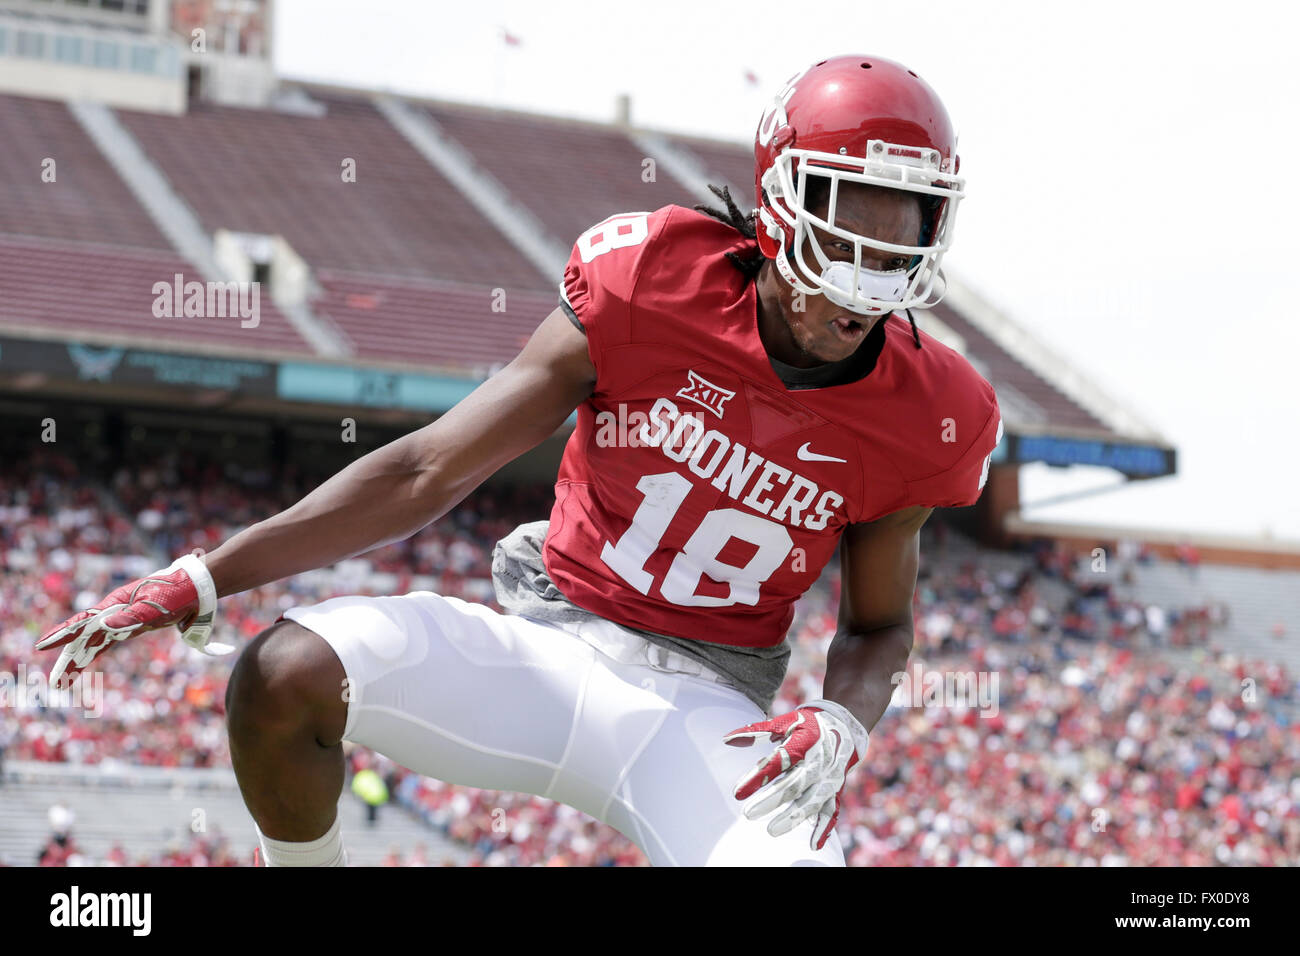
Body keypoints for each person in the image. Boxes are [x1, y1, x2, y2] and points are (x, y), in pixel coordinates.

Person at [36, 54, 1001, 867]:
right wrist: (208, 573)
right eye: (855, 214)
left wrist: (844, 721)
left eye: (906, 222)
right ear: (784, 195)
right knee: (286, 674)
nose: (875, 262)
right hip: (547, 642)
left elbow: (878, 626)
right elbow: (428, 472)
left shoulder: (932, 411)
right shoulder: (654, 283)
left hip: (708, 711)